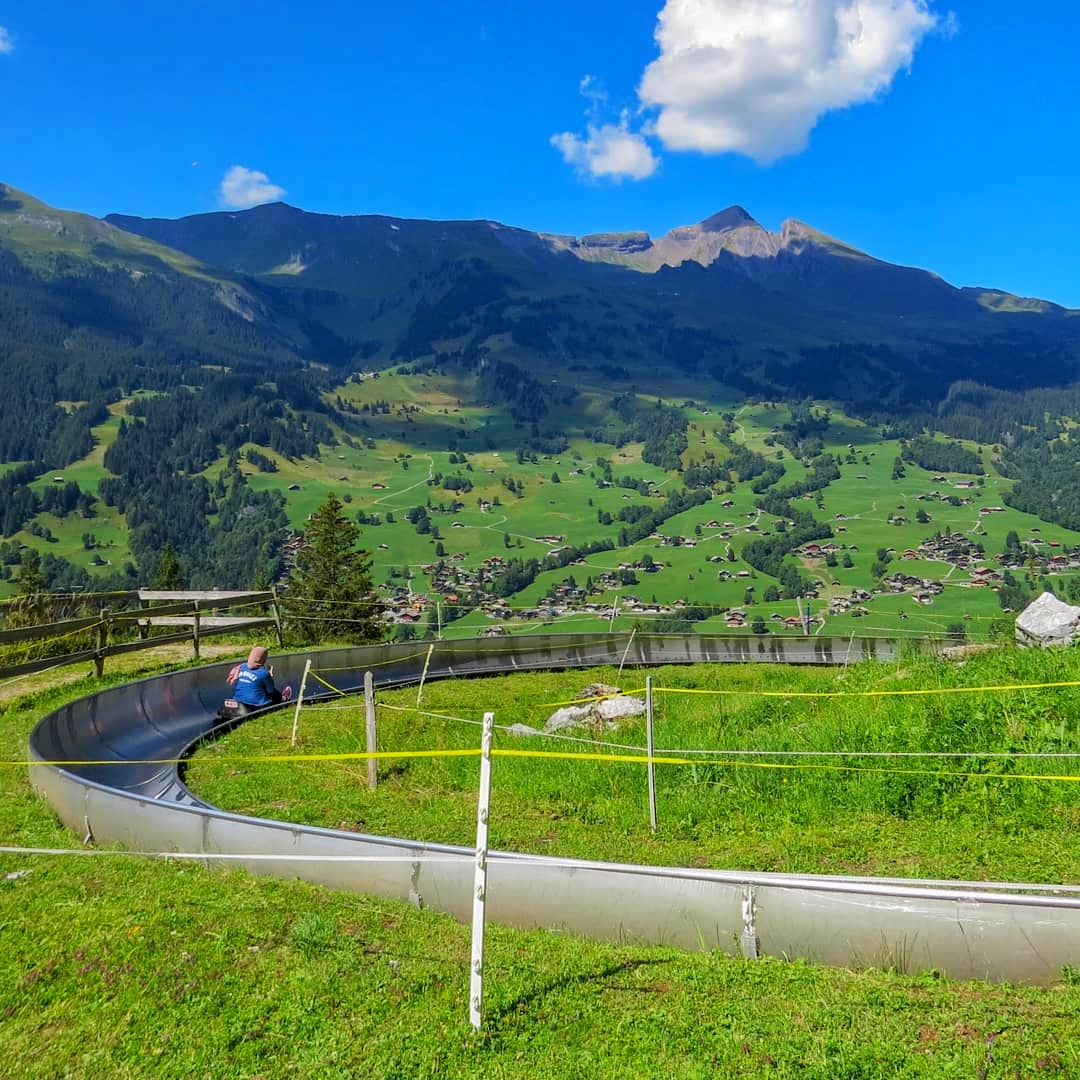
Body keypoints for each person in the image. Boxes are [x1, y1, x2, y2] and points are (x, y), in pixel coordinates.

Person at [226, 645, 293, 709]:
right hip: (258, 705)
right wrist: (270, 676)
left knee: (256, 686)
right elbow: (270, 690)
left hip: (239, 700)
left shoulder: (242, 667)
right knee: (273, 691)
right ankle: (283, 699)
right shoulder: (264, 673)